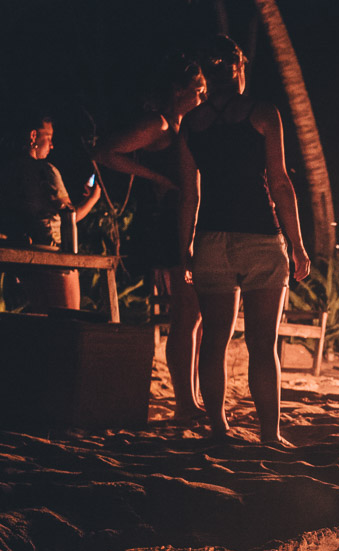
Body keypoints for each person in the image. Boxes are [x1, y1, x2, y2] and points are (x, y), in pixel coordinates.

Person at [177, 36, 311, 445]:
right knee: (262, 343)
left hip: (211, 241)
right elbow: (280, 182)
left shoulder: (191, 123)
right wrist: (298, 244)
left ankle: (218, 425)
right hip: (260, 239)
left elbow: (190, 195)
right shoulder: (263, 113)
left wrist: (185, 248)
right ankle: (269, 434)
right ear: (238, 68)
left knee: (215, 337)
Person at [95, 55, 207, 419]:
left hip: (184, 220)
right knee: (185, 310)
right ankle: (184, 403)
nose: (203, 97)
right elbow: (106, 152)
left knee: (197, 312)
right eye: (198, 89)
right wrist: (155, 178)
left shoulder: (181, 127)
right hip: (167, 223)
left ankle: (192, 396)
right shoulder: (159, 125)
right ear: (178, 90)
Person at [0, 112, 102, 309]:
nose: (51, 145)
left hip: (21, 253)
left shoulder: (7, 171)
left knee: (41, 321)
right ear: (34, 136)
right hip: (52, 254)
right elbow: (70, 217)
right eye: (49, 137)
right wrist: (94, 198)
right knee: (68, 318)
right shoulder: (45, 171)